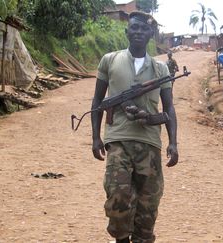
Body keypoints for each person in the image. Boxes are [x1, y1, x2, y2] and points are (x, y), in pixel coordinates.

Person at [91, 11, 178, 243]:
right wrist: (96, 138)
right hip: (118, 139)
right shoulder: (109, 60)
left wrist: (174, 143)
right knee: (117, 196)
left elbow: (169, 108)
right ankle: (120, 239)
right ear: (126, 31)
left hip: (149, 143)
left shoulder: (161, 69)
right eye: (134, 28)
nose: (138, 32)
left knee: (148, 203)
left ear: (151, 33)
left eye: (143, 29)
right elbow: (98, 102)